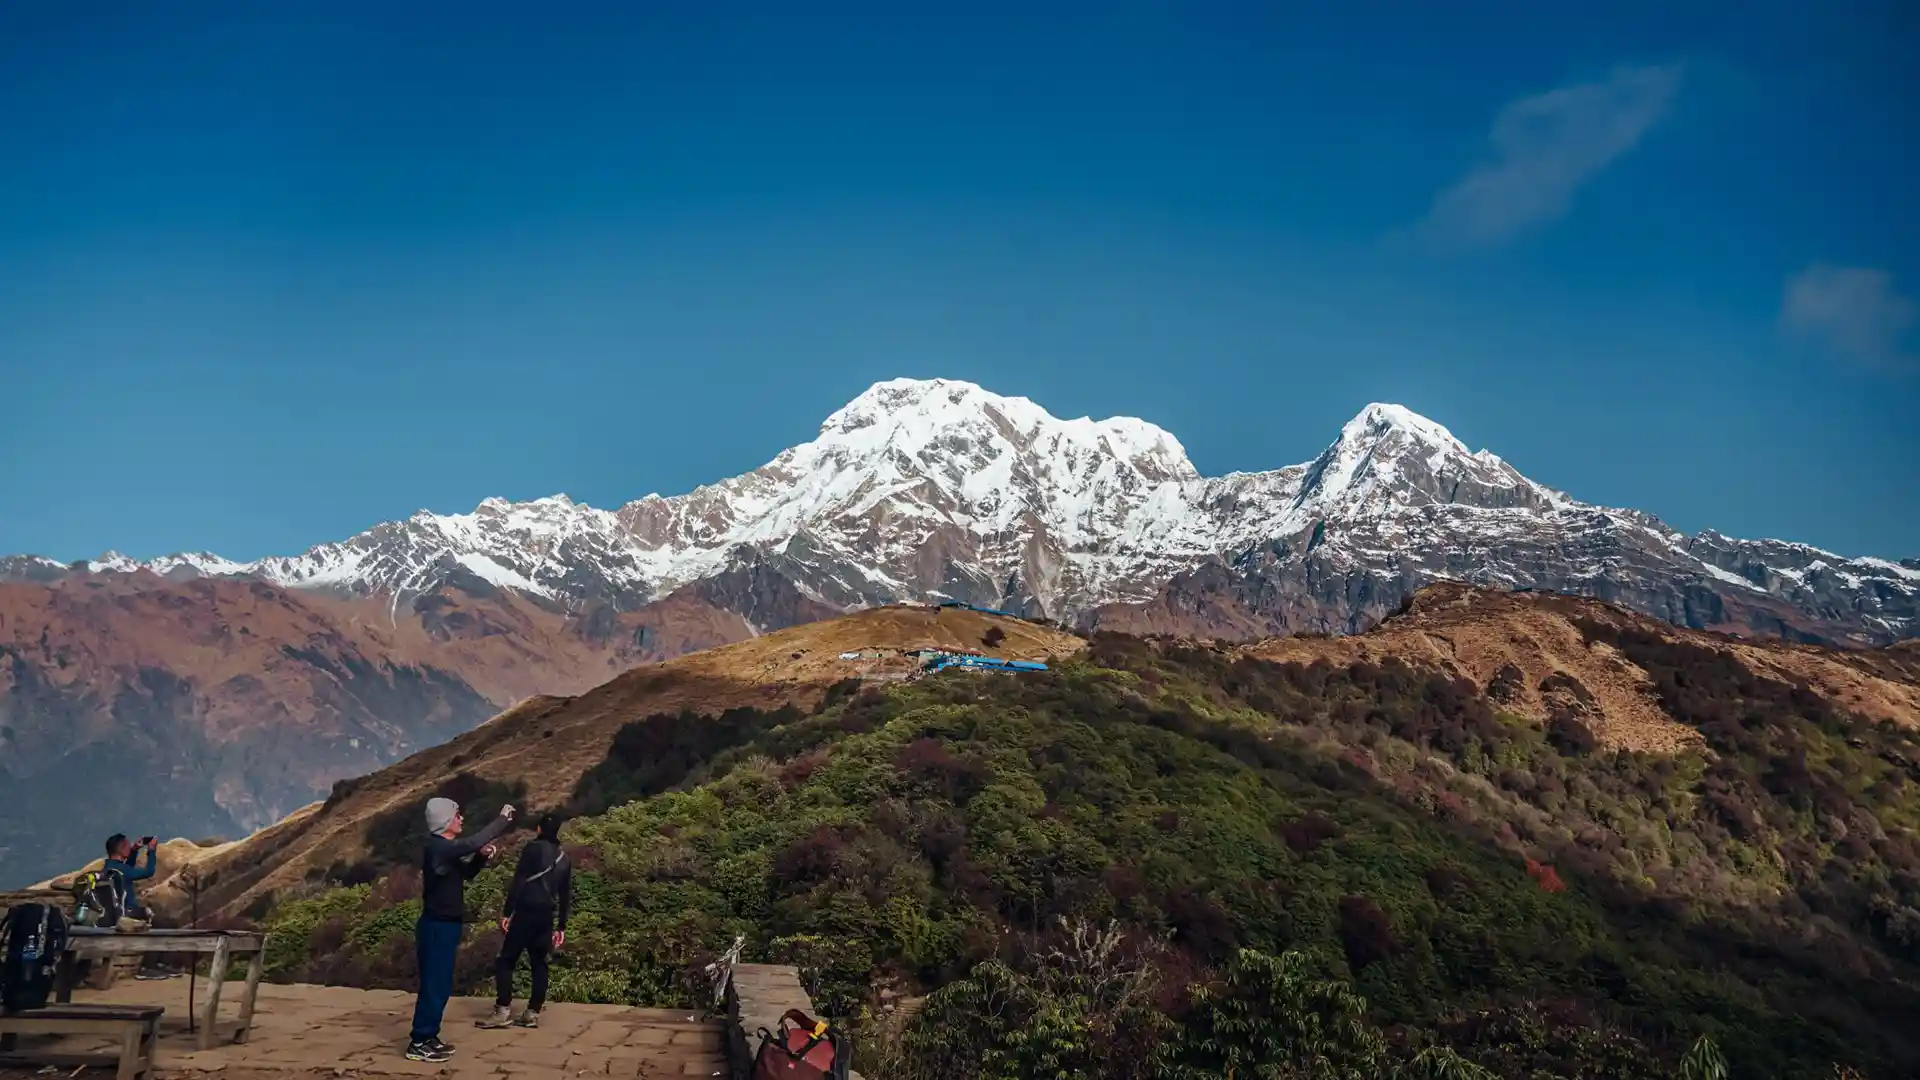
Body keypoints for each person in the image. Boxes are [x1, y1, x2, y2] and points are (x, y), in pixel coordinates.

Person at [406, 798, 514, 1063]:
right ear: (445, 821)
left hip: (446, 926)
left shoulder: (444, 851)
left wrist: (480, 858)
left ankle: (429, 1036)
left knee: (440, 985)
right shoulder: (438, 848)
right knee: (434, 984)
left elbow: (465, 874)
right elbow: (470, 842)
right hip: (437, 928)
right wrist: (502, 820)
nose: (461, 819)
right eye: (457, 815)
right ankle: (418, 1042)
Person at [478, 813, 572, 1030]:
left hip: (526, 912)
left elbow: (519, 880)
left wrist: (506, 912)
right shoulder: (564, 858)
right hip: (546, 916)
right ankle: (532, 1013)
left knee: (506, 960)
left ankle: (502, 1010)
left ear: (539, 829)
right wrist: (562, 926)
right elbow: (566, 895)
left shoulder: (532, 849)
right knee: (539, 963)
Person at [102, 834, 158, 921]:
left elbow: (128, 869)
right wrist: (151, 851)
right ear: (121, 849)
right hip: (128, 912)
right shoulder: (123, 870)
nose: (130, 846)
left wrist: (134, 850)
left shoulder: (107, 869)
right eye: (128, 845)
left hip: (114, 913)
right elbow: (149, 871)